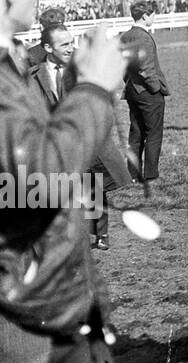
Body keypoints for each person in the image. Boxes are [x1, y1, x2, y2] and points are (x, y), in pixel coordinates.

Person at [0, 0, 152, 363]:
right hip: (20, 326)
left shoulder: (9, 64)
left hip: (47, 309)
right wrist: (93, 88)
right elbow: (37, 176)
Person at [29, 23, 132, 251]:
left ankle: (101, 233)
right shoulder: (34, 76)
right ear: (47, 47)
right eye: (63, 44)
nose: (69, 48)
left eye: (71, 42)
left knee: (95, 186)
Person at [120, 0, 168, 193]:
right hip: (147, 92)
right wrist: (155, 87)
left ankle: (132, 173)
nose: (154, 17)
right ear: (145, 16)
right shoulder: (144, 37)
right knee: (154, 133)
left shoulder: (125, 36)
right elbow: (146, 68)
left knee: (136, 132)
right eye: (153, 14)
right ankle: (150, 175)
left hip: (132, 90)